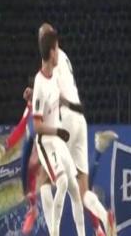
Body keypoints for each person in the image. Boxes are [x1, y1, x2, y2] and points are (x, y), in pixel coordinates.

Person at [38, 22, 116, 236]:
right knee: (83, 190)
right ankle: (104, 217)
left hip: (64, 120)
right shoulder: (64, 57)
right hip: (80, 121)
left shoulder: (48, 62)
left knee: (43, 178)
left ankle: (53, 232)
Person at [32, 27, 85, 236]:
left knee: (75, 190)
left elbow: (56, 97)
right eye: (57, 48)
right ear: (52, 52)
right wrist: (57, 131)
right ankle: (54, 232)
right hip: (46, 141)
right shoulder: (39, 82)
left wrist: (72, 106)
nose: (59, 52)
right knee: (61, 181)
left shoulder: (53, 76)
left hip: (57, 139)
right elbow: (37, 126)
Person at [3, 80, 41, 234]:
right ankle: (32, 208)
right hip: (37, 144)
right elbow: (21, 126)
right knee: (28, 172)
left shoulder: (43, 102)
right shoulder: (30, 108)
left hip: (49, 142)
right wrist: (9, 143)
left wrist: (33, 95)